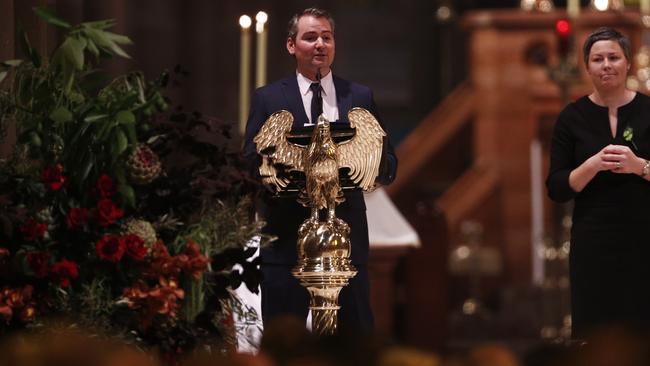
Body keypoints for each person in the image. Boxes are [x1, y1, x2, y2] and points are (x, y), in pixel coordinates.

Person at [243, 8, 398, 332]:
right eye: (310, 37)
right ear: (291, 45)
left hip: (345, 238)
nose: (320, 44)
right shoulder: (269, 99)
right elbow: (248, 163)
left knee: (354, 339)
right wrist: (275, 173)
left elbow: (389, 161)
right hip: (286, 234)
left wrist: (373, 169)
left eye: (326, 37)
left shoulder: (358, 96)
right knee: (284, 337)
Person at [546, 27, 650, 338]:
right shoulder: (572, 117)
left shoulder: (648, 110)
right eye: (597, 59)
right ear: (587, 66)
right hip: (594, 237)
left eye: (614, 57)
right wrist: (591, 165)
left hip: (643, 234)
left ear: (627, 63)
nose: (606, 65)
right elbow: (557, 187)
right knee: (595, 328)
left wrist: (639, 166)